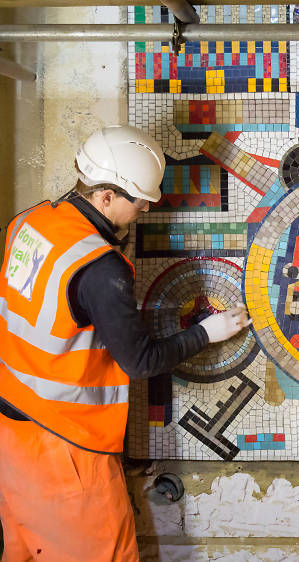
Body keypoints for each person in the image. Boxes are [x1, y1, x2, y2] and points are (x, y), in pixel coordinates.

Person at [0, 125, 251, 561]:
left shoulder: (31, 219)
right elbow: (140, 360)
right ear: (105, 197)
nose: (144, 211)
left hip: (12, 430)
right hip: (67, 447)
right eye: (140, 203)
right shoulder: (100, 267)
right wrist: (207, 333)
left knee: (25, 551)